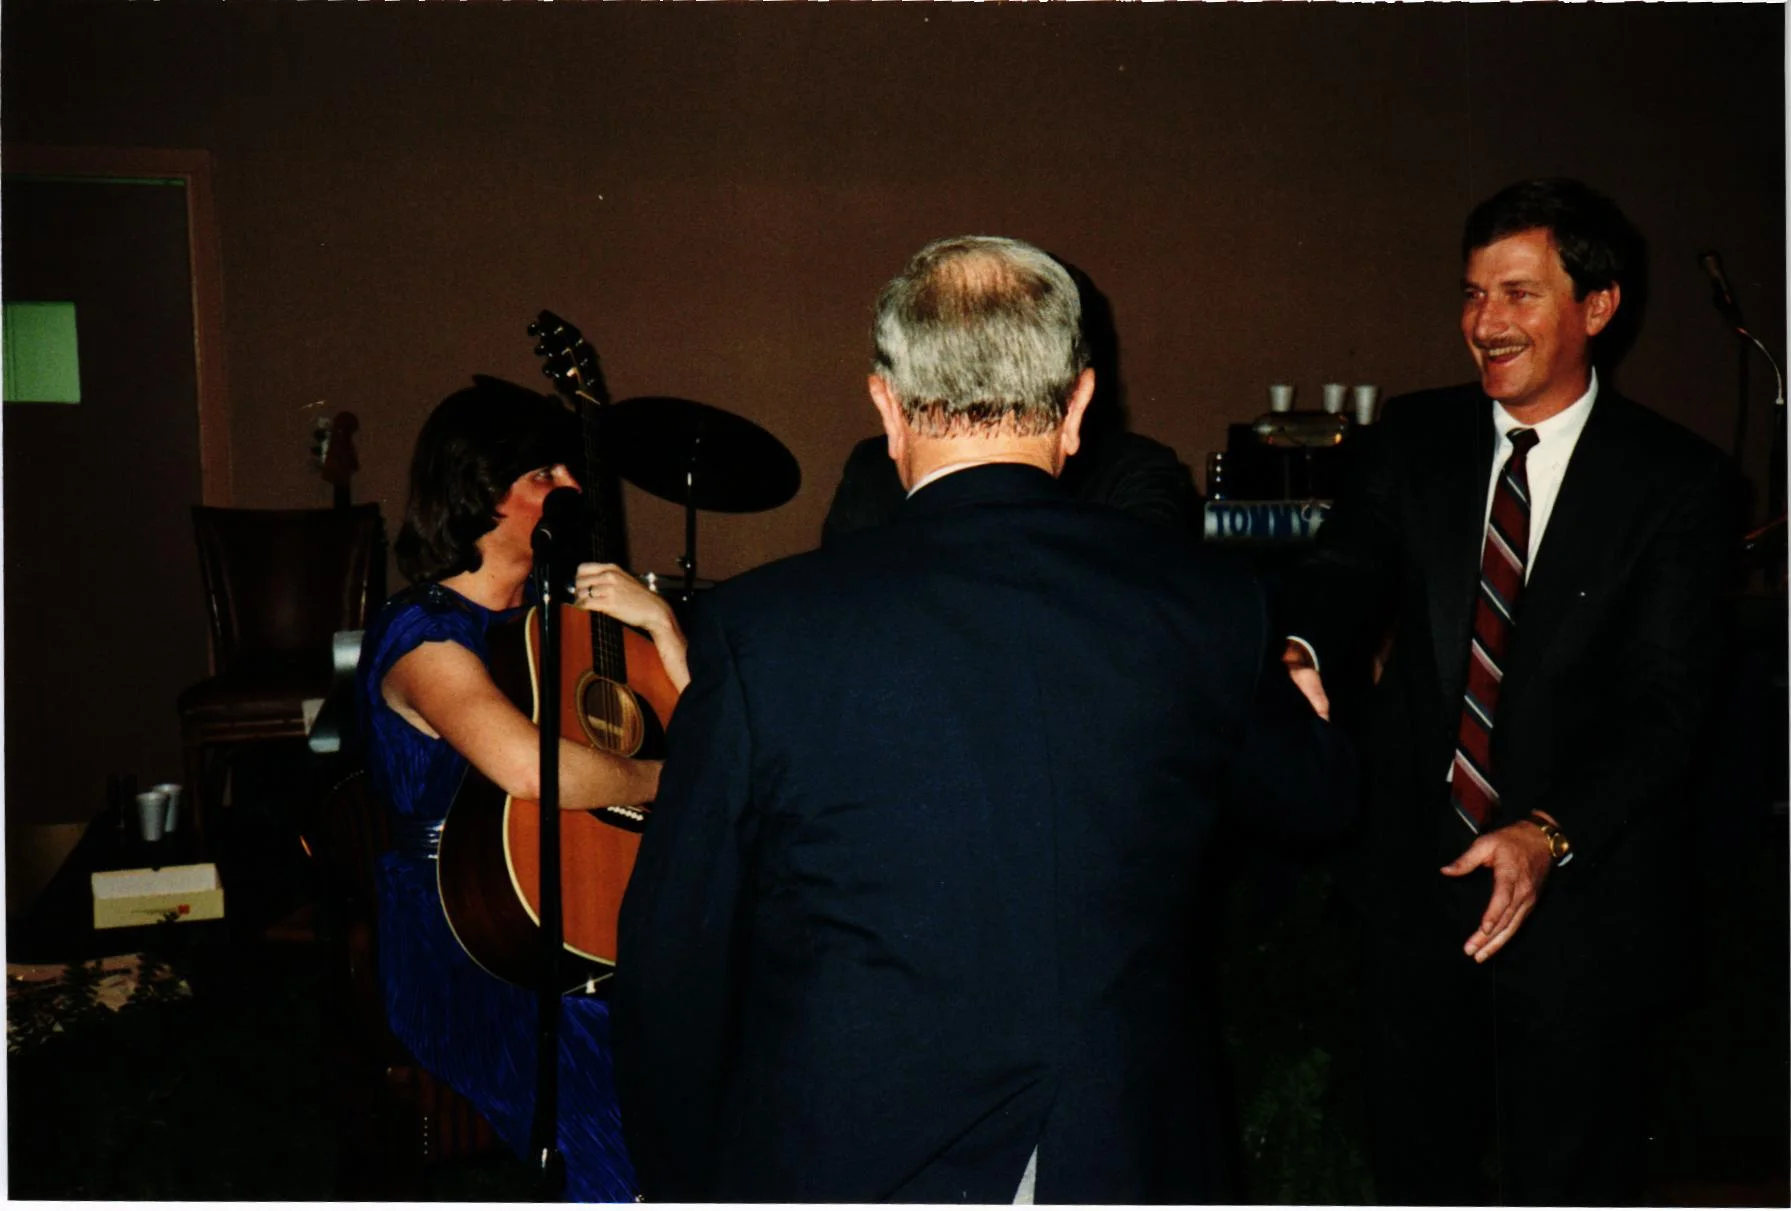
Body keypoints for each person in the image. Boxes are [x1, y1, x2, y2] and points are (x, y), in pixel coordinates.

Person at [611, 235, 1353, 1202]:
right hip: (1121, 1150)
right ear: (1078, 404)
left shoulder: (762, 630)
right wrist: (1302, 689)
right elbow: (1317, 804)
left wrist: (677, 1181)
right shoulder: (1209, 603)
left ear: (885, 405)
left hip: (851, 1156)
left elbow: (675, 956)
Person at [1280, 179, 1740, 1204]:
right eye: (1472, 292)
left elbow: (1670, 706)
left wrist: (1548, 832)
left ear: (1598, 305)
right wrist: (1302, 645)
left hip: (1580, 902)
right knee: (1415, 1171)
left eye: (1519, 293)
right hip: (1416, 893)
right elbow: (1344, 569)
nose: (1484, 322)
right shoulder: (1413, 437)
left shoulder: (1678, 483)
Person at [354, 376, 689, 1202]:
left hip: (577, 917)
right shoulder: (423, 632)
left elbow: (713, 745)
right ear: (479, 491)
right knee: (616, 1129)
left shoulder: (557, 622)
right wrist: (664, 778)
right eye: (545, 473)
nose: (572, 487)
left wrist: (662, 627)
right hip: (462, 940)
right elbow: (527, 768)